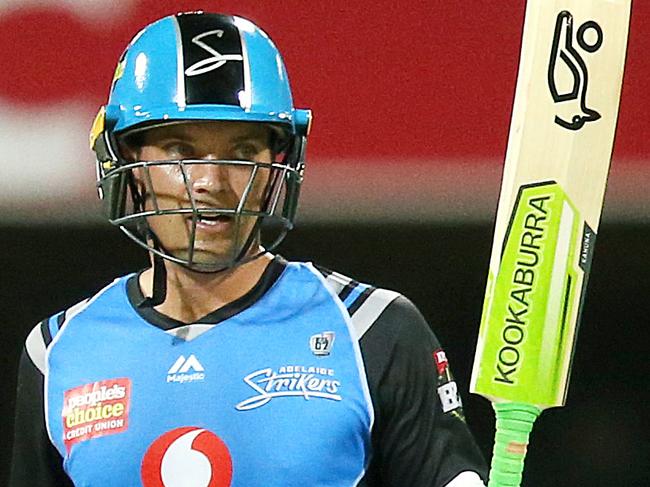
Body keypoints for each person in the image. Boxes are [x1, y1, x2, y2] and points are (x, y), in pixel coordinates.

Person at [10, 11, 488, 487]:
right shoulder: (58, 353)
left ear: (278, 163)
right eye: (180, 151)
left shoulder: (374, 331)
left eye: (241, 154)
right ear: (129, 162)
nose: (211, 182)